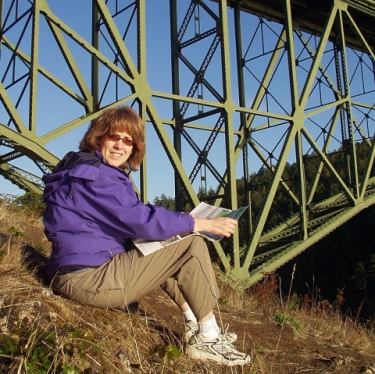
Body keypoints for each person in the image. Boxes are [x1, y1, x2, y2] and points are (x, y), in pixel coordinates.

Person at [42, 106, 251, 367]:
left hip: (72, 274)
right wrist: (199, 222)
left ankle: (194, 322)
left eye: (128, 140)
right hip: (90, 280)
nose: (120, 145)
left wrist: (176, 226)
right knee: (191, 241)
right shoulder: (99, 177)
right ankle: (208, 338)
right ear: (98, 137)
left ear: (134, 147)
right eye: (113, 137)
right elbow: (141, 220)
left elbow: (136, 222)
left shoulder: (80, 168)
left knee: (162, 244)